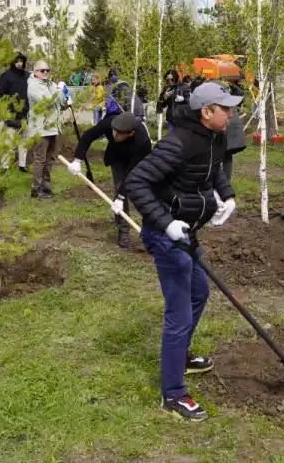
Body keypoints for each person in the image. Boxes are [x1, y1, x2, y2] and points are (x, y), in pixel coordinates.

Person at [122, 81, 241, 421]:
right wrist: (165, 223)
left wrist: (227, 195)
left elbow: (215, 169)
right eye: (225, 109)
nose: (230, 114)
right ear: (207, 112)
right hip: (166, 234)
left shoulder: (214, 137)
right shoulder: (177, 143)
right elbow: (136, 182)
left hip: (187, 231)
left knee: (199, 292)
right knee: (179, 313)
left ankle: (181, 356)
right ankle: (173, 394)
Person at [70, 111, 153, 249]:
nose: (114, 135)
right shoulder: (111, 123)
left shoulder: (142, 142)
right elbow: (87, 136)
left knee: (139, 193)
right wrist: (77, 160)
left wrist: (121, 196)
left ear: (130, 133)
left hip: (136, 163)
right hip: (116, 158)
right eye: (113, 131)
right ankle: (123, 231)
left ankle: (151, 232)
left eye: (119, 133)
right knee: (119, 188)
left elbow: (131, 174)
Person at [26, 59, 65, 198]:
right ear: (35, 72)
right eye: (42, 70)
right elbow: (48, 101)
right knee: (40, 159)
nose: (45, 72)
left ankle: (46, 187)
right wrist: (59, 91)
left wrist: (63, 95)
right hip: (40, 128)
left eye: (47, 70)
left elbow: (62, 101)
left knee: (50, 159)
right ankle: (36, 189)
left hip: (53, 127)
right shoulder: (33, 86)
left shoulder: (50, 84)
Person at [0, 52, 31, 172]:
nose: (19, 64)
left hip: (25, 114)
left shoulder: (28, 76)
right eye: (17, 61)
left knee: (24, 142)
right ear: (12, 62)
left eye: (21, 61)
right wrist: (8, 107)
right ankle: (5, 166)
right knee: (8, 141)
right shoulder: (6, 76)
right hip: (11, 114)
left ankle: (22, 165)